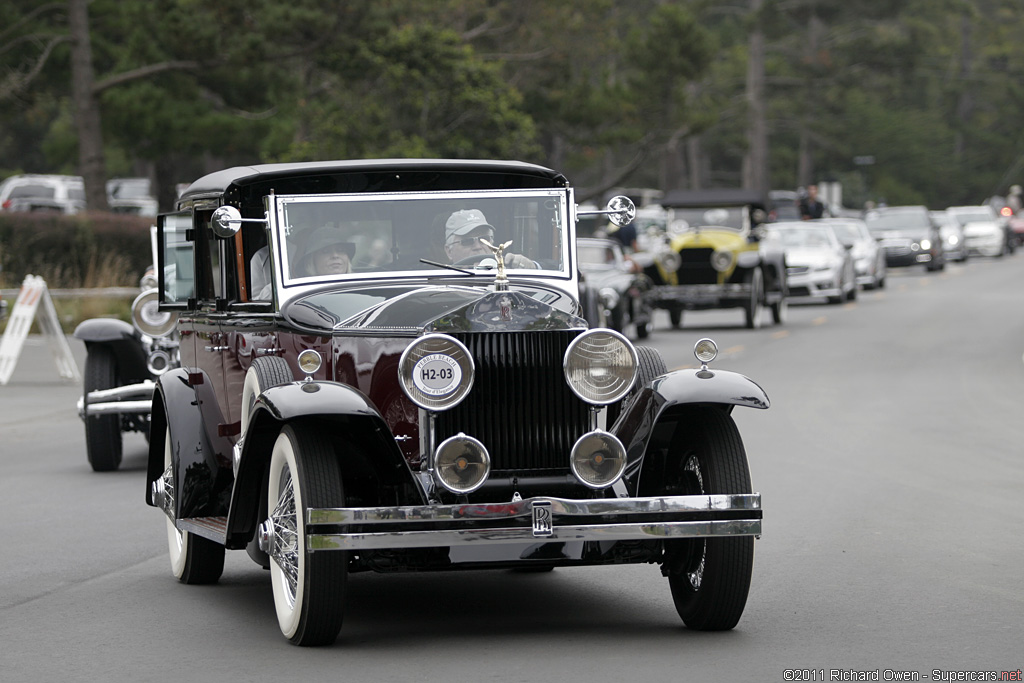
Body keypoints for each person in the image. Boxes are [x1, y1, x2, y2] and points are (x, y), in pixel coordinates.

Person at [444, 209, 536, 269]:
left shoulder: (508, 274)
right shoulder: (438, 284)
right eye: (467, 241)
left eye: (484, 239)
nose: (477, 246)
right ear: (449, 252)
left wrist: (532, 267)